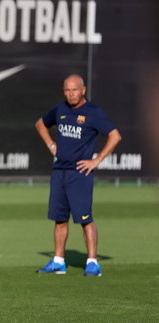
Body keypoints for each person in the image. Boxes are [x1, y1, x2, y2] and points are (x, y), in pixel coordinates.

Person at [35, 74, 121, 277]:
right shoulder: (60, 109)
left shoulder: (93, 112)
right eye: (67, 90)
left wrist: (96, 160)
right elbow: (40, 123)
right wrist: (50, 144)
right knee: (59, 219)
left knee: (85, 219)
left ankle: (92, 263)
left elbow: (115, 136)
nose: (70, 93)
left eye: (74, 90)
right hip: (59, 172)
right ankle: (58, 261)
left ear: (83, 90)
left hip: (80, 173)